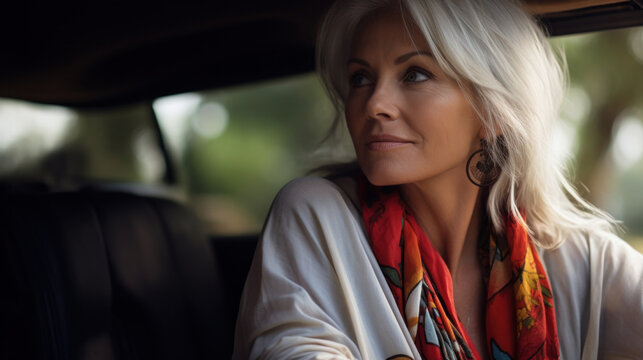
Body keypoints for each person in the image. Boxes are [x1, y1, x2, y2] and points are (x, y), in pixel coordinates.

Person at [233, 0, 643, 359]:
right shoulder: (317, 217)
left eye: (414, 74)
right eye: (360, 78)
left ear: (493, 110)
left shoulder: (578, 261)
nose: (374, 103)